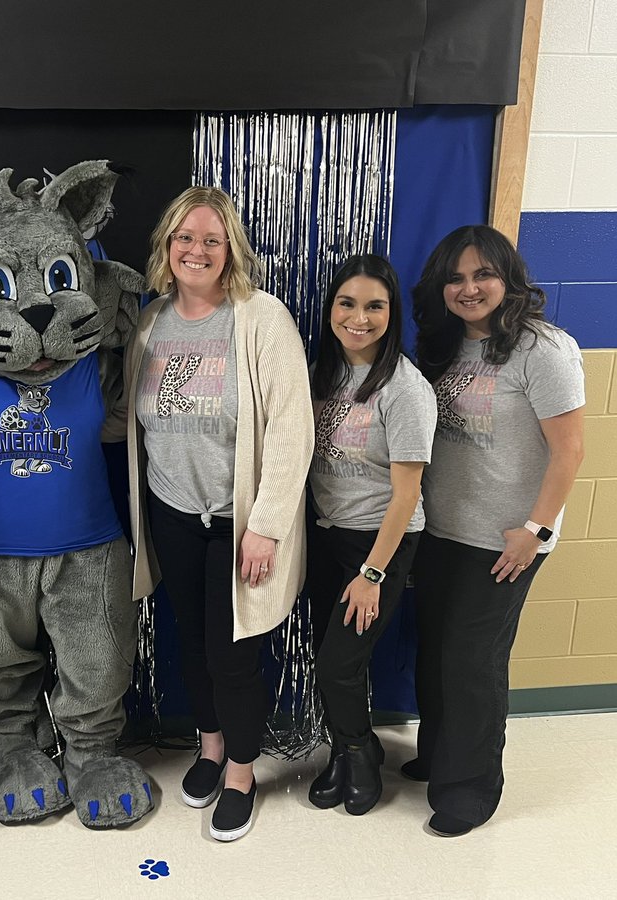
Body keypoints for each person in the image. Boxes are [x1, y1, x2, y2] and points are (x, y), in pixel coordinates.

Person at [125, 186, 314, 842]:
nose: (196, 250)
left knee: (235, 657)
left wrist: (264, 524)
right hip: (175, 515)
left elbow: (293, 428)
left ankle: (240, 771)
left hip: (240, 524)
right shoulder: (150, 325)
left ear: (230, 247)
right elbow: (134, 422)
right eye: (185, 238)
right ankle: (209, 749)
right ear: (167, 247)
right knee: (194, 647)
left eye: (211, 238)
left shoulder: (261, 319)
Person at [407, 224, 585, 837]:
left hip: (506, 539)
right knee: (435, 651)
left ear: (508, 278)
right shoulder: (447, 345)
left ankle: (469, 789)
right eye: (455, 277)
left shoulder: (544, 350)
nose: (469, 287)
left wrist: (534, 530)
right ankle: (437, 758)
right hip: (442, 530)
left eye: (483, 273)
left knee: (472, 662)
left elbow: (570, 451)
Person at [303, 255, 436, 816]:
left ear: (392, 313)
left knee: (340, 662)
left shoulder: (405, 390)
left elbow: (406, 497)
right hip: (326, 535)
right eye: (347, 303)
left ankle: (359, 753)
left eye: (374, 306)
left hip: (378, 543)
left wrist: (373, 574)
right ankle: (345, 752)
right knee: (329, 657)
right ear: (331, 308)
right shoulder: (321, 372)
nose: (359, 317)